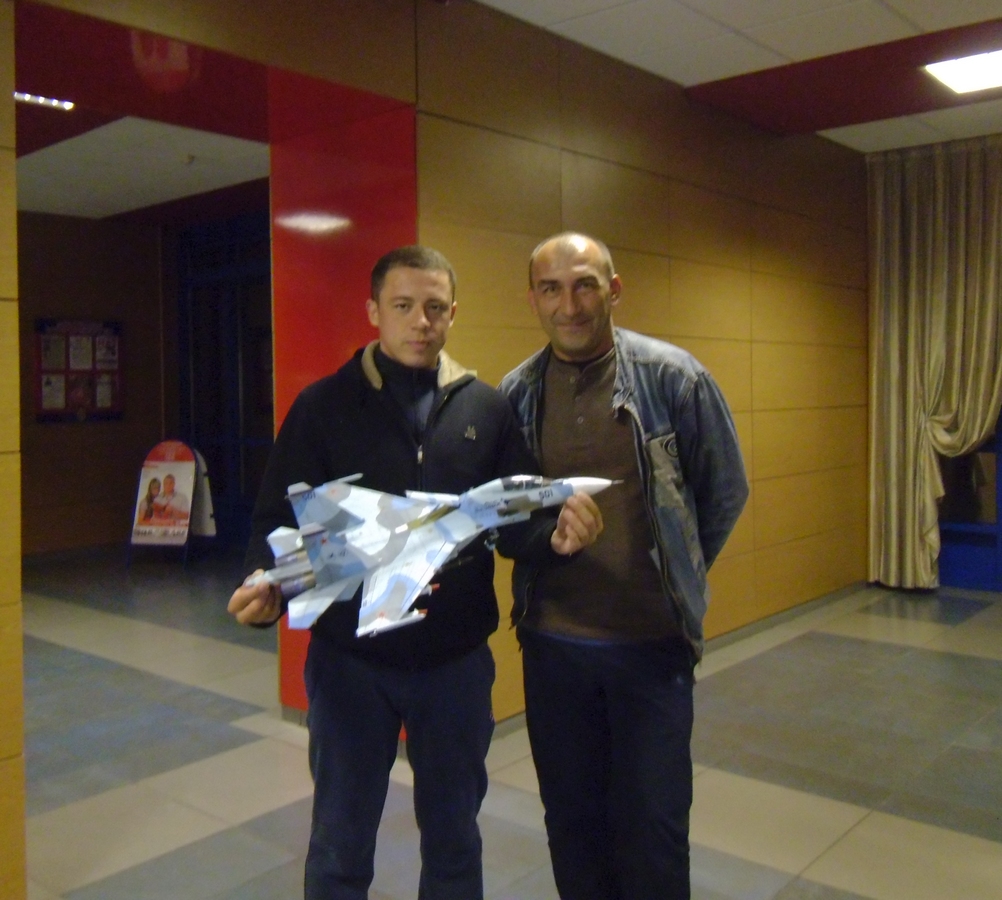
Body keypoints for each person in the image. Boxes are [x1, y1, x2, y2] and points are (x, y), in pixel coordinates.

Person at [227, 245, 602, 900]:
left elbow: (513, 521)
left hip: (454, 666)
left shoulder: (486, 409)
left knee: (454, 842)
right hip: (349, 666)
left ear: (453, 313)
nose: (420, 321)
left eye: (434, 307)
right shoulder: (322, 406)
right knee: (340, 844)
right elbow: (275, 518)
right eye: (403, 306)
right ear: (374, 311)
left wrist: (555, 537)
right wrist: (266, 583)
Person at [497, 232, 749, 900]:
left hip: (651, 649)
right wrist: (548, 535)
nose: (570, 305)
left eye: (585, 285)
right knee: (572, 827)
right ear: (532, 299)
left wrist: (674, 571)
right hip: (553, 647)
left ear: (614, 289)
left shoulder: (674, 379)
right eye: (551, 289)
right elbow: (507, 517)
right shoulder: (515, 394)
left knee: (654, 833)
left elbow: (724, 491)